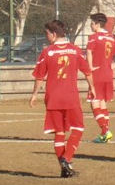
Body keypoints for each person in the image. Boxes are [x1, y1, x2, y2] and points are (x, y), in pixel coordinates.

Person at [29, 19, 96, 177]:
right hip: (70, 97)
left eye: (47, 33)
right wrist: (92, 87)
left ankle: (65, 169)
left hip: (52, 98)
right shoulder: (75, 50)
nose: (46, 37)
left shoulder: (47, 52)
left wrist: (34, 94)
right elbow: (87, 71)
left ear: (53, 34)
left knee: (59, 133)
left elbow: (39, 76)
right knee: (78, 129)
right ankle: (66, 159)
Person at [85, 12, 115, 143]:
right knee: (102, 103)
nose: (91, 26)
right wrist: (113, 66)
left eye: (92, 23)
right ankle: (105, 136)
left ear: (97, 24)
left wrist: (90, 67)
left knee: (94, 103)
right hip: (108, 75)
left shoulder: (94, 37)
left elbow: (89, 52)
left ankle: (105, 131)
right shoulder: (111, 38)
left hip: (97, 74)